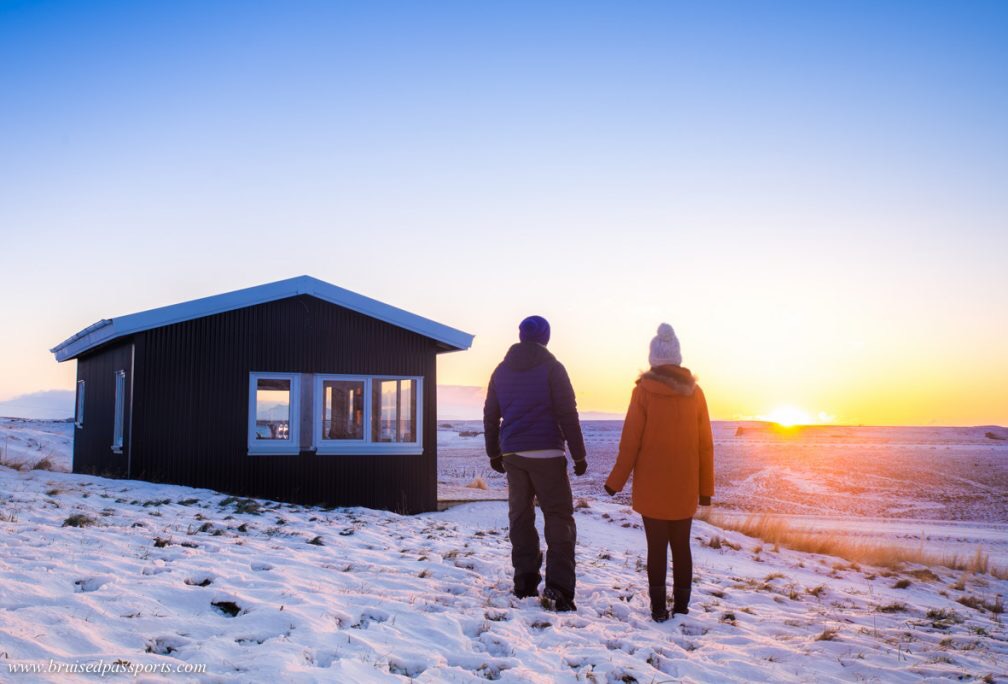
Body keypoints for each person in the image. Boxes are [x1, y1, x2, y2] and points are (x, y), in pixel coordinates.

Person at [604, 323, 714, 621]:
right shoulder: (696, 393)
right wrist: (705, 490)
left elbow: (630, 442)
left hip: (651, 487)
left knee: (656, 548)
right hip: (685, 486)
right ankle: (681, 606)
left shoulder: (643, 392)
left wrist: (615, 482)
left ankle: (657, 607)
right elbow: (706, 445)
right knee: (682, 546)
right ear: (677, 358)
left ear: (654, 359)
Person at [483, 315, 588, 611]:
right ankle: (559, 588)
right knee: (558, 518)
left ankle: (525, 581)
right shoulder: (553, 368)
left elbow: (491, 415)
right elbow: (568, 413)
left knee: (520, 517)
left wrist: (494, 452)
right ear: (546, 337)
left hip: (514, 454)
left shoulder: (501, 371)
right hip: (548, 454)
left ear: (520, 336)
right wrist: (579, 455)